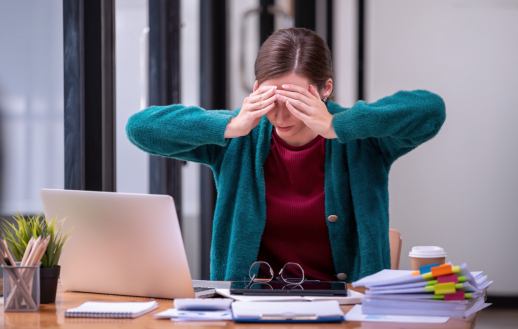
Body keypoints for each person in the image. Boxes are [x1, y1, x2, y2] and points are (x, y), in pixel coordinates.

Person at [126, 28, 446, 282]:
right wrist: (230, 125)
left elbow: (429, 110)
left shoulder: (362, 139)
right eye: (271, 98)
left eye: (295, 99)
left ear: (325, 89)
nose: (281, 115)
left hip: (347, 307)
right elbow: (140, 129)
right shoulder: (240, 135)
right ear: (256, 90)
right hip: (248, 307)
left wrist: (339, 124)